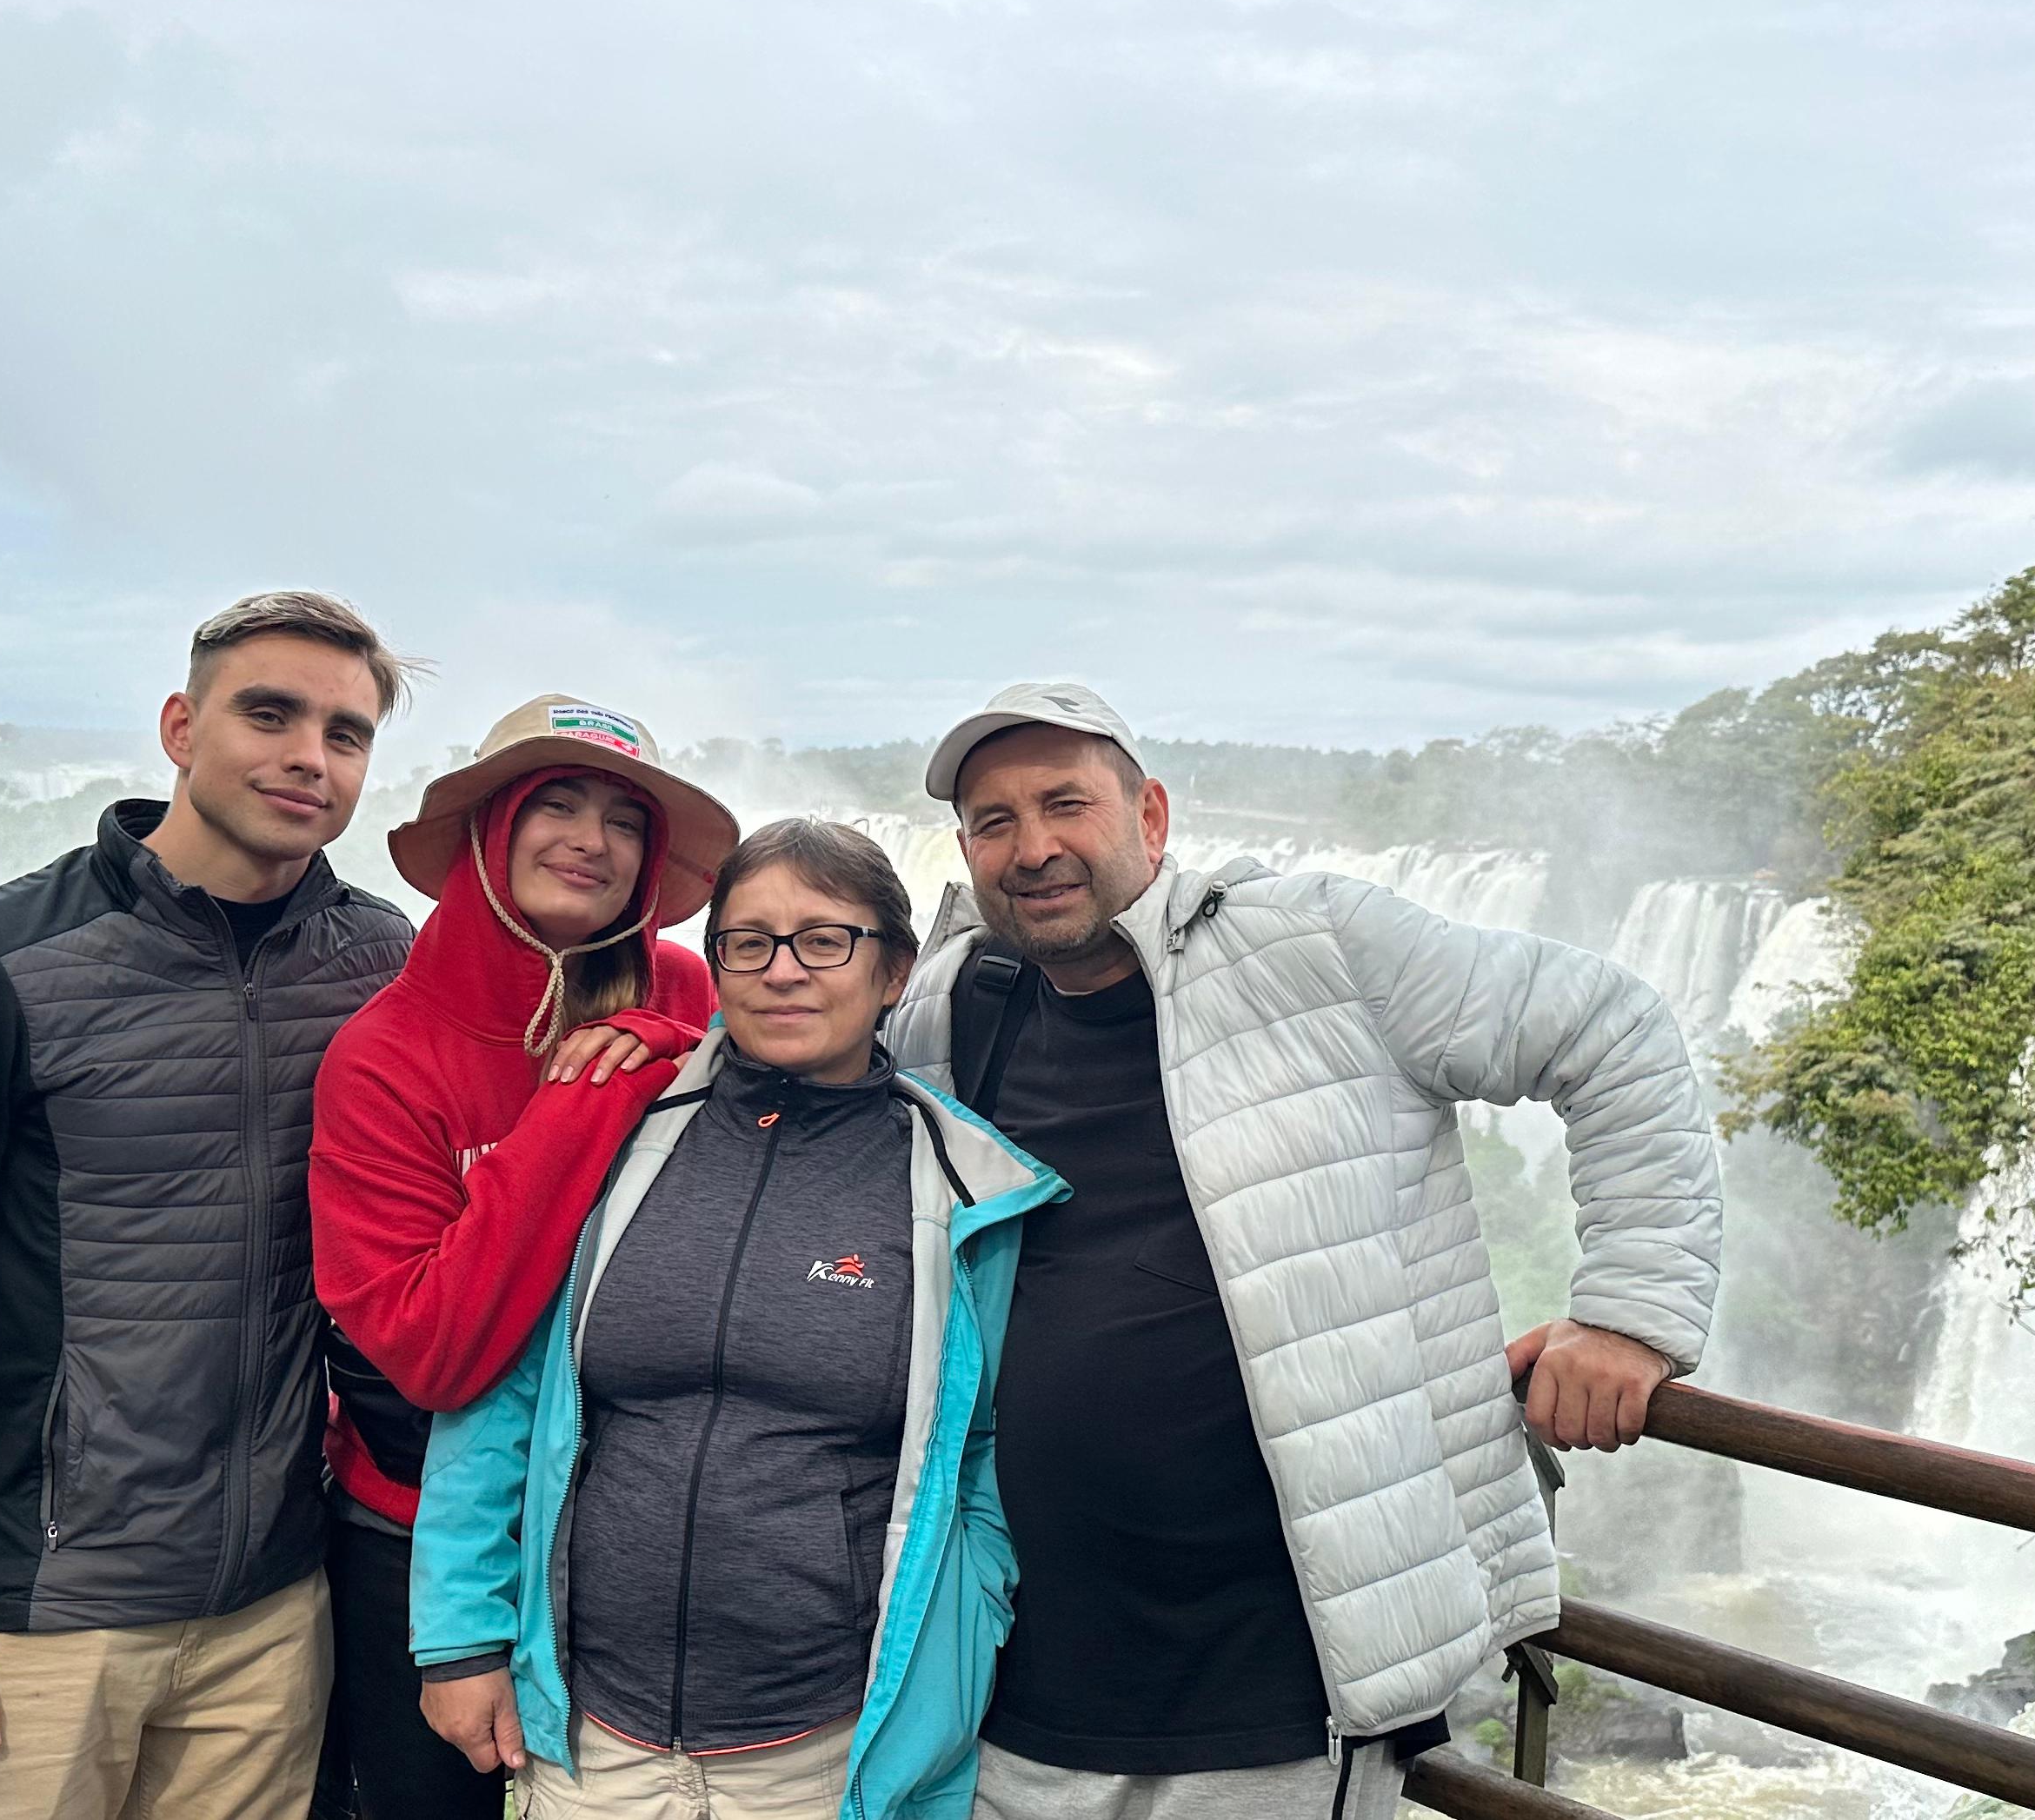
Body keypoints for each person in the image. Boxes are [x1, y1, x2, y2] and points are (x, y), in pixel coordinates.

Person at [888, 682, 1725, 1820]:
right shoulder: (958, 999)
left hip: (1272, 1687)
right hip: (1014, 1671)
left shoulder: (1318, 944)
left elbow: (1612, 1031)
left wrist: (1630, 1311)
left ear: (1151, 816)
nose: (1033, 848)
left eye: (1065, 804)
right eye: (995, 821)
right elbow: (799, 1042)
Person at [0, 591, 421, 1818]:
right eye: (270, 713)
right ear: (181, 728)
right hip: (39, 1614)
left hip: (270, 1611)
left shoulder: (377, 961)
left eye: (345, 734)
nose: (308, 755)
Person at [407, 818, 1066, 1820]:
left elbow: (981, 1460)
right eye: (748, 942)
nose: (783, 971)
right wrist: (459, 1636)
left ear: (894, 972)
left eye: (824, 939)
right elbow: (504, 1392)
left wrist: (963, 1648)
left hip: (828, 1749)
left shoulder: (965, 1188)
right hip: (590, 1742)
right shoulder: (614, 1134)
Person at [306, 694, 740, 1819]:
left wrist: (651, 1040)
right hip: (411, 1540)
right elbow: (431, 1351)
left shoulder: (686, 995)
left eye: (625, 820)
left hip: (618, 1538)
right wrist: (587, 1095)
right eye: (557, 803)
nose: (591, 841)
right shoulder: (385, 1058)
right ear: (490, 830)